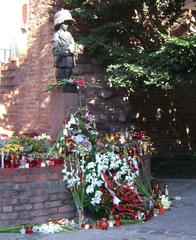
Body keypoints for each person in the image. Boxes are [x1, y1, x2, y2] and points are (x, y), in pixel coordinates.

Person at [52, 9, 83, 93]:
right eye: (66, 23)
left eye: (69, 23)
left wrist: (77, 48)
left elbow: (73, 45)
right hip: (61, 61)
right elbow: (55, 51)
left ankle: (67, 81)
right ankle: (62, 83)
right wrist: (68, 50)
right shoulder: (56, 35)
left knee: (69, 71)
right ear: (60, 23)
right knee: (62, 75)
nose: (67, 25)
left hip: (69, 61)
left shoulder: (69, 35)